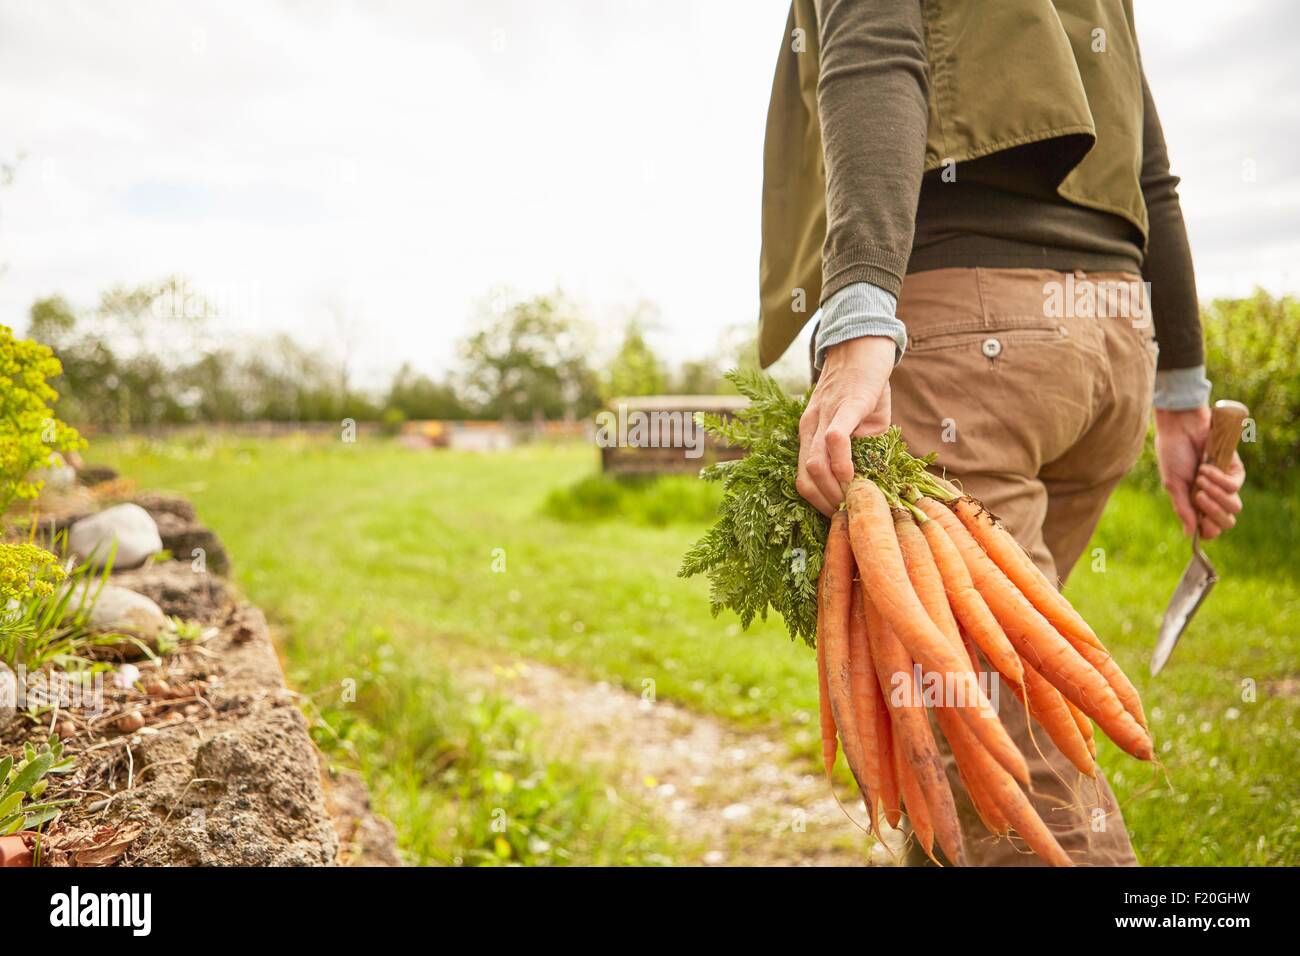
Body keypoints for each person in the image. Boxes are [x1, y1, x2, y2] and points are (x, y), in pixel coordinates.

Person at [758, 0, 1246, 865]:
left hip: (968, 334)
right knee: (965, 725)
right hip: (1108, 341)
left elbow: (874, 47)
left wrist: (860, 312)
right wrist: (1179, 392)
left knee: (1002, 775)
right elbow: (1151, 168)